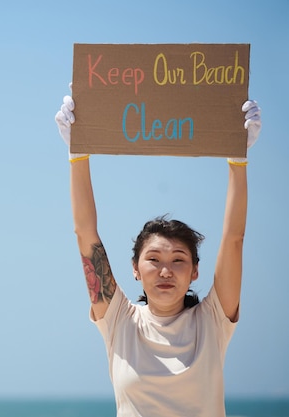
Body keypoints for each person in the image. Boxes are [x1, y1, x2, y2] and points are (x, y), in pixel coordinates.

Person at [54, 90, 262, 417]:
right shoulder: (119, 320)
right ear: (135, 269)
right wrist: (77, 155)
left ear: (195, 271)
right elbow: (86, 233)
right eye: (154, 259)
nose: (166, 271)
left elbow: (234, 238)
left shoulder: (212, 322)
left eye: (178, 260)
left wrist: (238, 159)